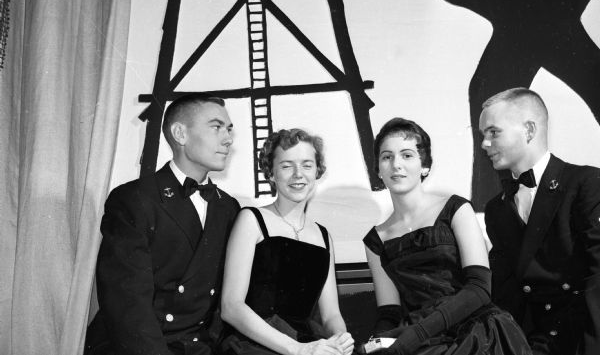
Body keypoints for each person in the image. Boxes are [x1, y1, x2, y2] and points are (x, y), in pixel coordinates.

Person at [430, 0, 600, 211]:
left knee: (487, 105)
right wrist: (508, 11)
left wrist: (568, 8)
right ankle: (489, 212)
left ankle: (486, 209)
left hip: (542, 29)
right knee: (487, 109)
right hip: (536, 30)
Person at [84, 94, 240, 355]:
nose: (227, 139)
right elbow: (128, 306)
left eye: (228, 129)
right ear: (180, 133)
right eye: (216, 127)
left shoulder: (228, 207)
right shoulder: (133, 199)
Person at [362, 118, 531, 355]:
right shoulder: (376, 239)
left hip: (476, 333)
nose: (396, 164)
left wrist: (417, 334)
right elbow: (390, 312)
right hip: (420, 339)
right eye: (387, 157)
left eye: (407, 155)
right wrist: (374, 344)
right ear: (378, 169)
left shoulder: (456, 209)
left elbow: (479, 288)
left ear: (425, 166)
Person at [481, 88, 600, 355]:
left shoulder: (586, 184)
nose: (484, 144)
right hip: (528, 342)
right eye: (483, 135)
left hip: (581, 338)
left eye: (493, 132)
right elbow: (504, 292)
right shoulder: (496, 209)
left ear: (529, 130)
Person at [220, 128, 354, 355]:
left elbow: (331, 315)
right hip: (252, 344)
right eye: (286, 165)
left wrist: (340, 340)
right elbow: (231, 307)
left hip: (307, 342)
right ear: (271, 173)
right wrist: (297, 350)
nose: (298, 174)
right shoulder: (251, 220)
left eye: (307, 165)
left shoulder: (323, 236)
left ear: (317, 172)